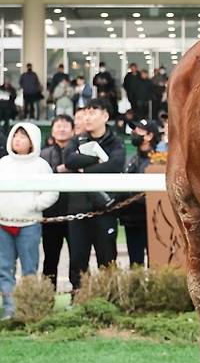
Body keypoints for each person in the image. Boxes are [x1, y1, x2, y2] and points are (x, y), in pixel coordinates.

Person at [63, 100, 125, 291]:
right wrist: (96, 159)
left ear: (105, 116)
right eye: (85, 113)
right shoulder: (77, 140)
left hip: (105, 211)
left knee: (107, 259)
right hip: (78, 210)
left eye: (93, 112)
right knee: (77, 259)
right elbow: (70, 160)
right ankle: (78, 297)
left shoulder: (116, 142)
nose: (87, 117)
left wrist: (85, 168)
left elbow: (115, 165)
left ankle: (109, 297)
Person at [0, 123, 58, 318]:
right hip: (3, 223)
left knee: (29, 268)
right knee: (4, 268)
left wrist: (34, 204)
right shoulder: (3, 163)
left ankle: (29, 308)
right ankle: (9, 308)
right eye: (15, 136)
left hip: (29, 224)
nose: (18, 140)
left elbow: (51, 192)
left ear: (32, 140)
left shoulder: (41, 165)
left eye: (23, 136)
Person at [40, 114, 75, 290]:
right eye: (58, 126)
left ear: (73, 130)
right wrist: (58, 170)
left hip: (75, 213)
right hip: (51, 216)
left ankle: (77, 295)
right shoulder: (43, 155)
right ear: (52, 131)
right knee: (50, 258)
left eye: (65, 126)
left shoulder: (79, 152)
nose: (61, 129)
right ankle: (46, 297)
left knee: (77, 258)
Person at [119, 119, 160, 265]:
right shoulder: (130, 159)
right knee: (135, 263)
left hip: (154, 219)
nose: (134, 133)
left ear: (149, 136)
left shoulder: (160, 160)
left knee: (156, 261)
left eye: (138, 130)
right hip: (131, 219)